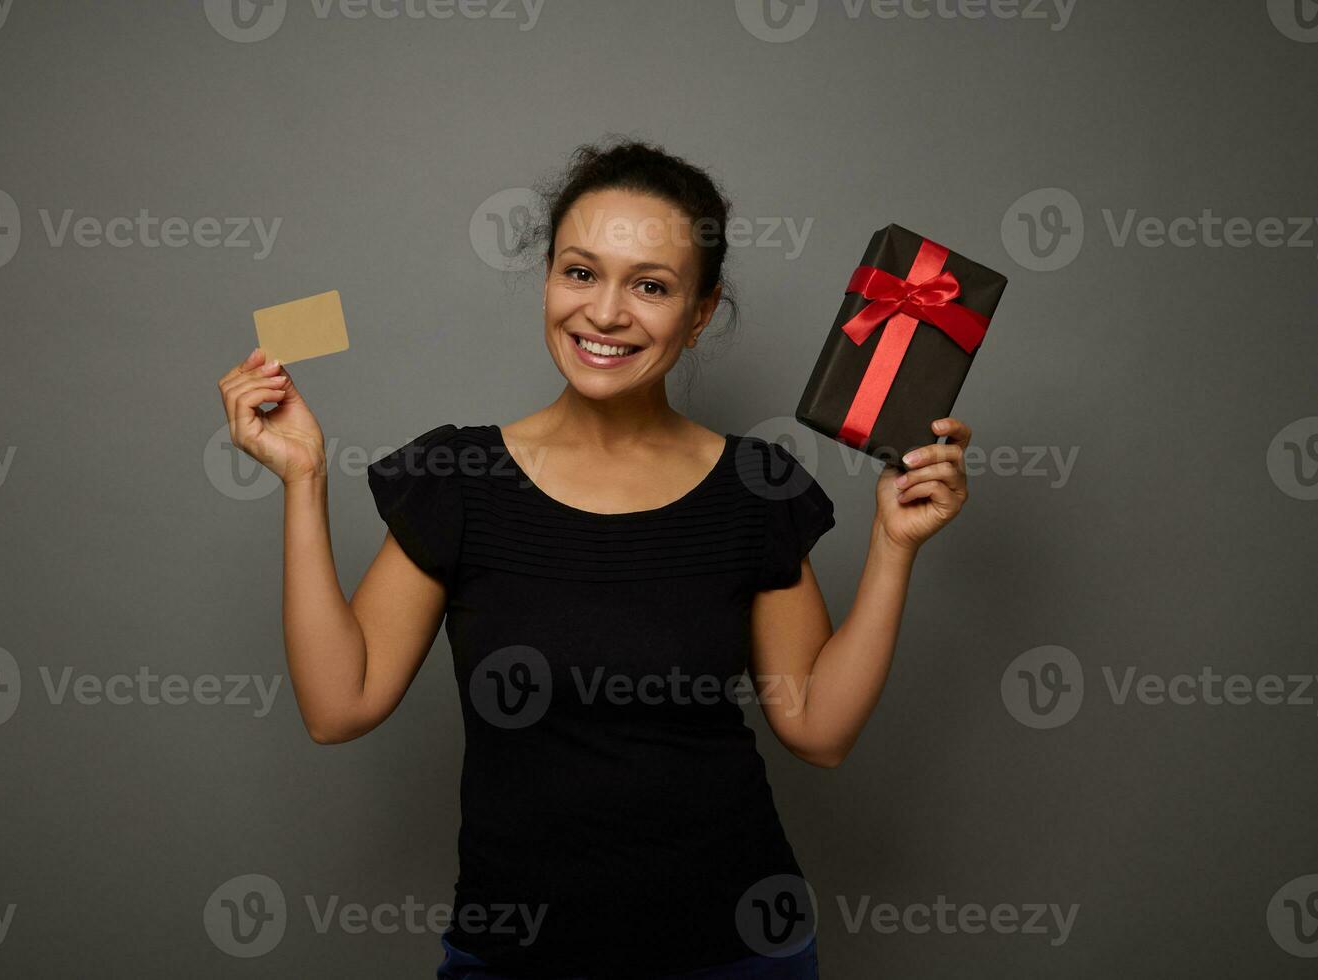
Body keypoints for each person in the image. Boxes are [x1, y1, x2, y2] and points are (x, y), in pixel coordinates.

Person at [215, 139, 972, 979]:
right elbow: (338, 706)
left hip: (737, 951)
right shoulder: (459, 477)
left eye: (650, 285)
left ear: (700, 313)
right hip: (515, 959)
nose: (605, 313)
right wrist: (302, 479)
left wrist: (893, 549)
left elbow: (818, 731)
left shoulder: (757, 486)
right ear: (546, 280)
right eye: (580, 272)